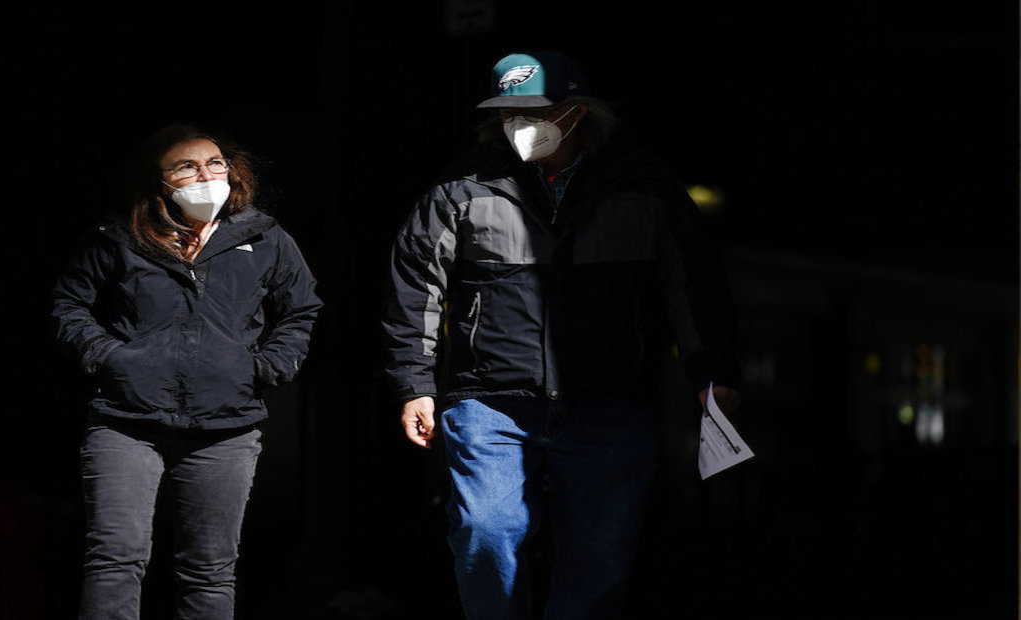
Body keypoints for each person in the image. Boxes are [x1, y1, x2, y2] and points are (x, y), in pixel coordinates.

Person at [382, 51, 743, 618]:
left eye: (535, 111)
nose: (520, 125)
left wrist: (712, 375)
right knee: (483, 531)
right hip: (489, 401)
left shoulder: (644, 190)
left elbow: (692, 287)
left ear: (579, 112)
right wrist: (413, 384)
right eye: (508, 113)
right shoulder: (460, 187)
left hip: (609, 401)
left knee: (600, 562)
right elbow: (414, 286)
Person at [51, 123, 322, 619]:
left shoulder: (265, 238)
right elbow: (70, 304)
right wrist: (110, 358)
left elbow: (301, 310)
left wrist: (264, 368)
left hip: (227, 427)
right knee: (115, 559)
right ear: (160, 183)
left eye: (215, 163)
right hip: (125, 422)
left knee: (210, 570)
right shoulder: (117, 237)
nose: (205, 174)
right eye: (186, 166)